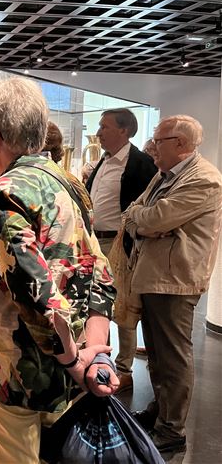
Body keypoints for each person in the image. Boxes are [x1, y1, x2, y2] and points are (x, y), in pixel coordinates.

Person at [0, 77, 118, 464]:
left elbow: (37, 295)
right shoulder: (70, 184)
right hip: (67, 363)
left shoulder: (5, 192)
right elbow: (98, 270)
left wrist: (76, 362)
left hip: (11, 371)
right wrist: (95, 354)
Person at [124, 115, 222, 453]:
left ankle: (172, 430)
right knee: (156, 353)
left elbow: (156, 218)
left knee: (173, 357)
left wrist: (147, 222)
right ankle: (159, 412)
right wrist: (144, 223)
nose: (152, 146)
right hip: (154, 275)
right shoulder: (164, 176)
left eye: (158, 140)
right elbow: (135, 214)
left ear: (180, 144)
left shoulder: (205, 179)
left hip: (175, 279)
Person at [85, 108, 157, 393]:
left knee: (123, 305)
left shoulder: (140, 163)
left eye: (104, 126)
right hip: (94, 240)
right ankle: (99, 355)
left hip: (119, 243)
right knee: (95, 300)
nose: (99, 131)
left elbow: (145, 208)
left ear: (123, 131)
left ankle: (124, 368)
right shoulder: (102, 161)